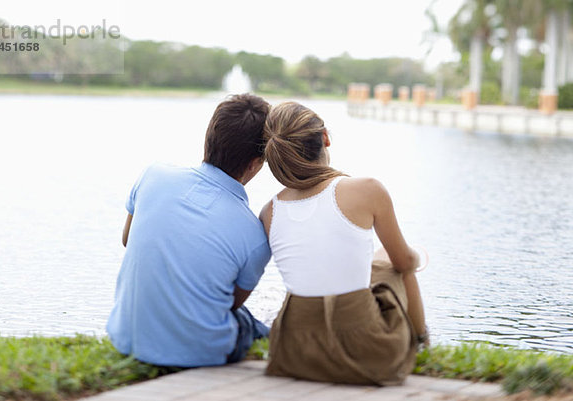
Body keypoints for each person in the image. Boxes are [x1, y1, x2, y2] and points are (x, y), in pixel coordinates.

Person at [259, 101, 428, 385]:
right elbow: (403, 262)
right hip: (367, 353)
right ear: (325, 137)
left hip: (294, 354)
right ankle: (422, 341)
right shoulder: (367, 189)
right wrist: (418, 257)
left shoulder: (269, 211)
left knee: (372, 263)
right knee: (397, 260)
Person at [107, 94, 272, 367]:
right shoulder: (255, 235)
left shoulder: (153, 175)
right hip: (201, 353)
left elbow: (127, 239)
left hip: (125, 338)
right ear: (255, 163)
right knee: (247, 322)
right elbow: (229, 304)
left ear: (208, 137)